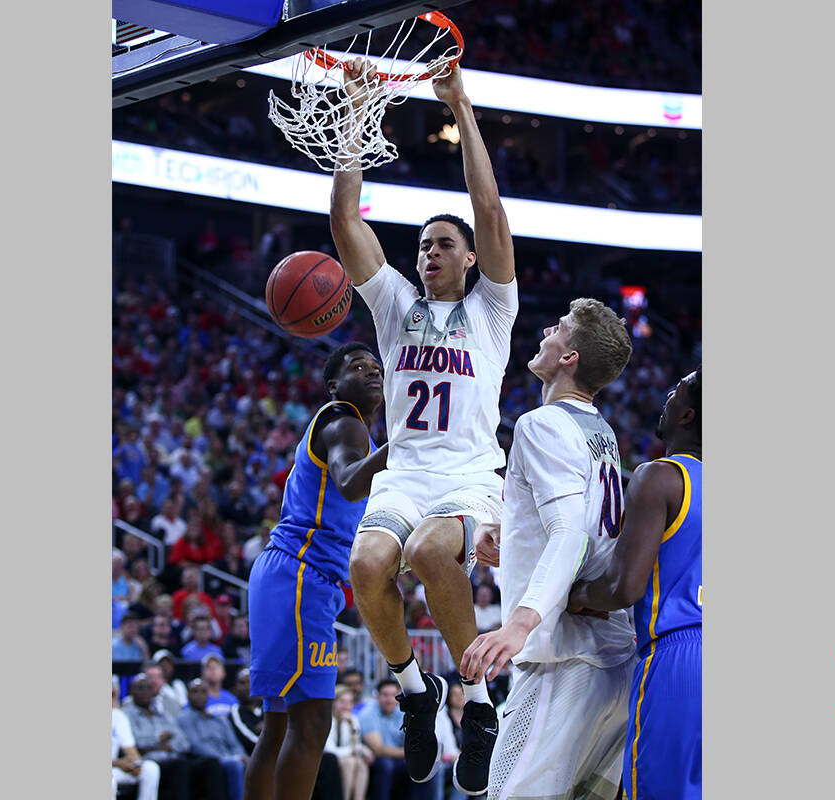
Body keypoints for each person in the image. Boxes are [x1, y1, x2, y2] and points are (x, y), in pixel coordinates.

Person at [331, 59, 517, 796]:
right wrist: (354, 113)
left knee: (434, 549)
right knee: (368, 567)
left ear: (470, 259)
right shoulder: (393, 308)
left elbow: (491, 208)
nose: (428, 252)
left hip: (470, 474)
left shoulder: (492, 311)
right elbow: (347, 221)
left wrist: (460, 106)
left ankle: (476, 702)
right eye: (423, 246)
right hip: (407, 471)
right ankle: (416, 691)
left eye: (444, 244)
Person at [460, 300, 641, 800]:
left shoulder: (541, 424)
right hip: (612, 661)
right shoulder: (599, 431)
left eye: (559, 328)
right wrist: (510, 535)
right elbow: (582, 528)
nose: (546, 330)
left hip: (564, 659)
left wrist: (517, 624)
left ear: (569, 357)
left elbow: (569, 534)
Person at [245, 343, 389, 800]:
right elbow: (348, 483)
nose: (370, 372)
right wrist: (406, 441)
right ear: (334, 385)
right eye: (357, 367)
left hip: (292, 577)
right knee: (311, 726)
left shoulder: (350, 429)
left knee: (279, 728)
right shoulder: (344, 421)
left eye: (375, 367)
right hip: (300, 577)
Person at [568, 367, 702, 800]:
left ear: (687, 416)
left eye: (675, 392)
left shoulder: (660, 476)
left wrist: (573, 595)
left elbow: (624, 588)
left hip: (681, 656)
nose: (666, 398)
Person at [123, 673, 231, 800]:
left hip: (175, 759)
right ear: (131, 691)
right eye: (140, 688)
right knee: (180, 766)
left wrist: (162, 746)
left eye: (148, 688)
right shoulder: (126, 715)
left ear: (154, 691)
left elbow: (184, 742)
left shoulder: (162, 714)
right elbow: (134, 744)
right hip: (151, 763)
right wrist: (158, 740)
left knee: (211, 763)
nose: (145, 692)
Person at [179, 679, 250, 800]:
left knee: (253, 763)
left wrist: (243, 756)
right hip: (208, 761)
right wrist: (228, 758)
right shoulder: (183, 719)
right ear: (188, 695)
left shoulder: (219, 720)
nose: (199, 695)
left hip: (229, 757)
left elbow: (234, 743)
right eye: (195, 692)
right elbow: (196, 745)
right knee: (235, 765)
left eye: (203, 692)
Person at [114, 682, 161, 800]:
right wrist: (118, 763)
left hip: (116, 768)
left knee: (150, 768)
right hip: (114, 766)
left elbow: (131, 751)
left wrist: (136, 765)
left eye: (113, 694)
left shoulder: (118, 716)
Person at [325, 685, 373, 800]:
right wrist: (356, 749)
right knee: (350, 762)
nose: (346, 706)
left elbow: (355, 745)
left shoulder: (352, 719)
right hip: (327, 759)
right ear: (333, 702)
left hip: (345, 757)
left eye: (349, 702)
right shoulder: (327, 719)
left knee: (361, 763)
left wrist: (352, 726)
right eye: (342, 702)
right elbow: (329, 749)